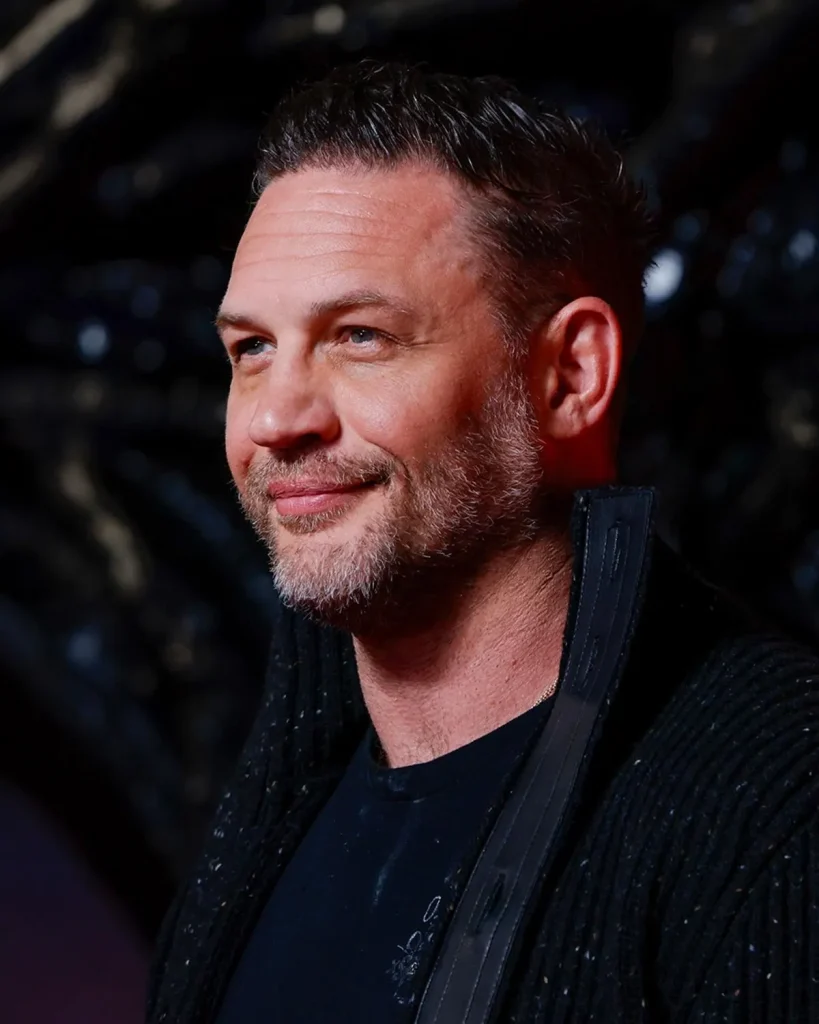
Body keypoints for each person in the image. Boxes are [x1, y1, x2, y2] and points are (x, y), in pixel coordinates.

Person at [147, 62, 819, 1023]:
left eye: (361, 336)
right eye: (251, 349)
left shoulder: (777, 803)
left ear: (569, 375)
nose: (275, 419)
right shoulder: (266, 823)